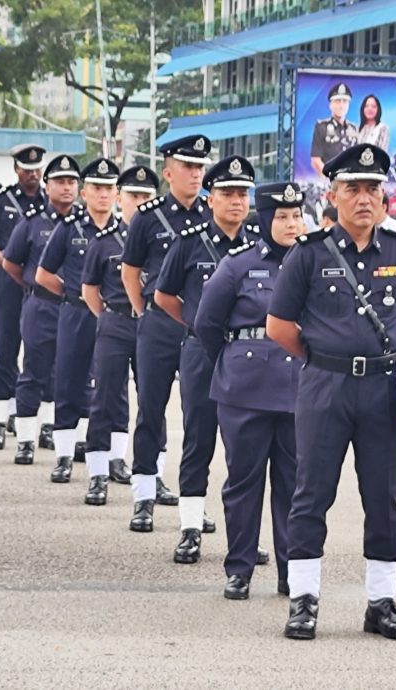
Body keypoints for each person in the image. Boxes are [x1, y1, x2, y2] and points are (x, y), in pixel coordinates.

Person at [266, 144, 396, 641]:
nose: (364, 198)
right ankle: (304, 599)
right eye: (353, 188)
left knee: (383, 496)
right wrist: (324, 359)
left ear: (384, 197)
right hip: (325, 386)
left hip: (383, 387)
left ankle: (381, 603)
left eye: (373, 189)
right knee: (311, 492)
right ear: (333, 195)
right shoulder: (309, 252)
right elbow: (278, 326)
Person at [193, 181, 304, 600]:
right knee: (243, 480)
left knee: (295, 483)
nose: (292, 224)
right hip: (245, 389)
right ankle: (239, 569)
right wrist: (233, 359)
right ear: (264, 221)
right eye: (282, 217)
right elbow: (206, 323)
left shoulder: (314, 261)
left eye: (296, 216)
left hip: (297, 388)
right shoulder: (238, 265)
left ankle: (292, 571)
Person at [155, 154, 259, 565]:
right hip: (201, 351)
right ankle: (191, 529)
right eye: (227, 194)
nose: (236, 201)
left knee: (247, 448)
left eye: (242, 194)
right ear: (211, 199)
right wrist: (200, 324)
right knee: (199, 439)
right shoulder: (189, 242)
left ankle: (245, 536)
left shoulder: (260, 243)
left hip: (248, 355)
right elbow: (164, 296)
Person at [120, 134, 212, 532]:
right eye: (188, 167)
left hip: (199, 327)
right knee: (151, 411)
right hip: (158, 323)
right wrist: (145, 313)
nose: (195, 174)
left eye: (200, 167)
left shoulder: (214, 214)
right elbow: (130, 270)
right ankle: (143, 496)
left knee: (199, 418)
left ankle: (193, 505)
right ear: (169, 171)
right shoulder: (148, 215)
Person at [78, 165, 161, 504]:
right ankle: (98, 475)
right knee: (105, 397)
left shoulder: (163, 238)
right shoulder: (103, 241)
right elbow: (88, 289)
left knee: (152, 402)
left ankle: (153, 476)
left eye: (146, 196)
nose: (139, 202)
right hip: (115, 322)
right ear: (119, 198)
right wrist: (110, 318)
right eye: (133, 196)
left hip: (152, 325)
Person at [37, 158, 121, 484]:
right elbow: (43, 274)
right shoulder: (69, 229)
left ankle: (114, 457)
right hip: (76, 312)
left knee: (113, 387)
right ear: (85, 193)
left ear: (116, 194)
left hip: (113, 316)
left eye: (109, 188)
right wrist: (77, 295)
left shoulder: (125, 232)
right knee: (69, 379)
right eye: (97, 188)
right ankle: (63, 456)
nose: (103, 194)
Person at [5, 155, 81, 466]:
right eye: (60, 181)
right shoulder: (32, 223)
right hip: (42, 305)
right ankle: (25, 439)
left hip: (76, 308)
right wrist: (36, 286)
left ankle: (67, 438)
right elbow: (11, 263)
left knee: (74, 374)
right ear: (47, 186)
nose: (66, 187)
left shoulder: (87, 224)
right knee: (34, 371)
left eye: (72, 182)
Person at [0, 144, 46, 451]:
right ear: (16, 170)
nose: (32, 174)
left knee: (40, 353)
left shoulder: (50, 202)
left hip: (40, 286)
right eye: (26, 169)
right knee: (5, 349)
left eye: (37, 169)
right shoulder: (0, 202)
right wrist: (8, 261)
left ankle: (38, 421)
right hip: (6, 283)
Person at [310, 82, 358, 177]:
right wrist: (330, 177)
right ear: (330, 105)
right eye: (337, 101)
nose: (341, 105)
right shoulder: (321, 127)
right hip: (329, 180)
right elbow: (316, 160)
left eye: (344, 101)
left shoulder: (354, 129)